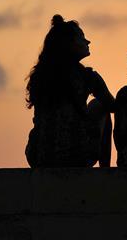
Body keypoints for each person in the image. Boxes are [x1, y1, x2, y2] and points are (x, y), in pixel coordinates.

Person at [25, 15, 114, 167]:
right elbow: (113, 106)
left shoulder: (40, 76)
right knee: (99, 105)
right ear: (68, 44)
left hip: (39, 156)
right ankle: (106, 172)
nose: (87, 42)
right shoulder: (87, 76)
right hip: (77, 155)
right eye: (81, 37)